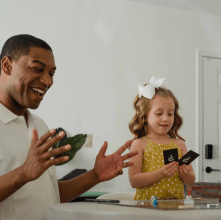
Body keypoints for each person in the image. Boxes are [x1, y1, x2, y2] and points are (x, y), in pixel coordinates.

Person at [0, 34, 138, 220]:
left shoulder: (39, 125)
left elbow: (50, 195)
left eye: (51, 73)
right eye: (37, 69)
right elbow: (26, 175)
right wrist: (24, 173)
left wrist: (95, 175)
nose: (48, 81)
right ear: (7, 65)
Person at [128, 77, 195, 200]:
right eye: (159, 113)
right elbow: (134, 181)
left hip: (175, 210)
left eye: (170, 114)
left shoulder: (180, 144)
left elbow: (191, 181)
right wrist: (161, 173)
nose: (166, 118)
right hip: (147, 211)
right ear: (144, 115)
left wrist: (183, 173)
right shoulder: (139, 144)